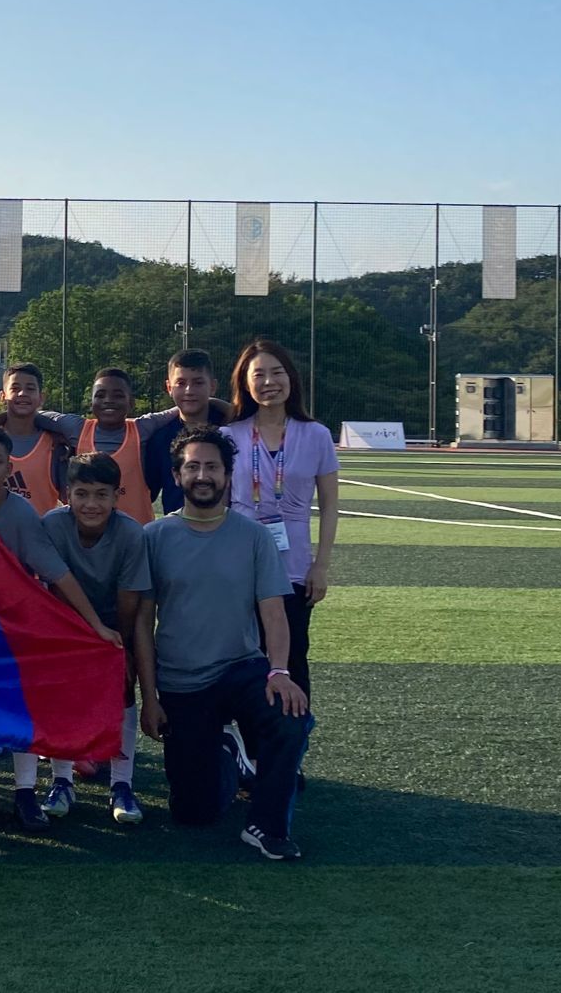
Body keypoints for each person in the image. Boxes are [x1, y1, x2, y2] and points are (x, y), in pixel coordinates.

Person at [135, 425, 310, 861]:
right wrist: (150, 697)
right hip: (182, 682)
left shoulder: (252, 536)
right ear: (176, 476)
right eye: (192, 466)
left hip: (240, 669)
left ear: (228, 475)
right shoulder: (154, 537)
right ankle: (230, 754)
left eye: (212, 466)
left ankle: (266, 826)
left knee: (292, 717)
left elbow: (273, 611)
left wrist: (281, 672)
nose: (202, 475)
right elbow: (142, 622)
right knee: (194, 812)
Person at [0, 427, 124, 831]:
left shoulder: (21, 513)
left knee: (22, 707)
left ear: (10, 468)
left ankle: (25, 791)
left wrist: (94, 624)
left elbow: (55, 572)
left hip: (18, 629)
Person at [223, 339, 339, 711]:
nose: (269, 381)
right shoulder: (229, 436)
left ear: (291, 377)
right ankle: (248, 753)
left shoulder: (316, 435)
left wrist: (319, 566)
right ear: (245, 382)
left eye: (277, 372)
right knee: (243, 660)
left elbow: (331, 507)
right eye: (259, 374)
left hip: (294, 569)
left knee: (291, 660)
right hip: (239, 567)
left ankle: (288, 753)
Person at [41, 452, 154, 825]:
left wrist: (116, 651)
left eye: (102, 494)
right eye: (82, 493)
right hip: (67, 625)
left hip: (115, 625)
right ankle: (61, 779)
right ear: (66, 494)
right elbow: (54, 589)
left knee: (121, 691)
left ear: (118, 495)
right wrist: (79, 641)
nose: (91, 504)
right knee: (60, 696)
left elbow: (129, 602)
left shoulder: (130, 532)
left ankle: (122, 785)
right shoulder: (53, 526)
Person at [33, 368, 195, 525]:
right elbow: (34, 415)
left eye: (117, 395)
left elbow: (179, 409)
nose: (108, 400)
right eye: (100, 395)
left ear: (130, 403)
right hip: (87, 536)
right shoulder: (77, 428)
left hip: (136, 535)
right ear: (92, 402)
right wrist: (55, 434)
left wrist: (217, 404)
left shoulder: (141, 428)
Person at [145, 349, 230, 514]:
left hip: (227, 530)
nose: (189, 391)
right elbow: (147, 493)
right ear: (169, 387)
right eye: (181, 383)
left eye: (198, 383)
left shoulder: (232, 429)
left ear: (212, 386)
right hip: (178, 533)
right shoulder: (159, 438)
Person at [0, 363, 63, 512]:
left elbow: (70, 499)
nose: (22, 394)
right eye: (15, 388)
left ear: (41, 398)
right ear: (3, 396)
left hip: (38, 534)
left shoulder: (55, 446)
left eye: (30, 388)